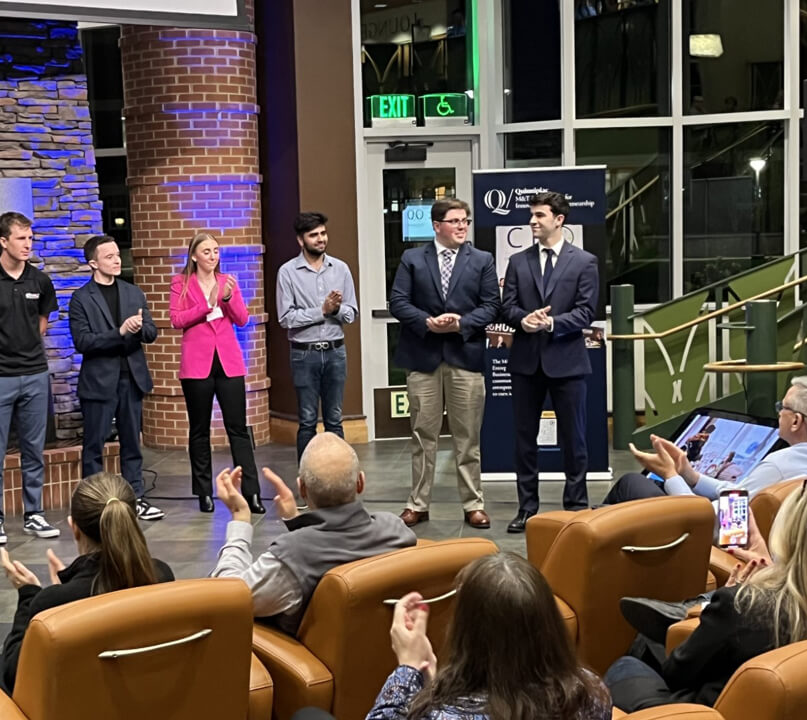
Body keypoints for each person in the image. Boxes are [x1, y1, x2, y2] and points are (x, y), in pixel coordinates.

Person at [604, 479, 807, 711]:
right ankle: (684, 615)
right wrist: (776, 573)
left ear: (789, 534)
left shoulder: (745, 606)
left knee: (629, 663)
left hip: (718, 710)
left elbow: (677, 674)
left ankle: (691, 612)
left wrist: (731, 596)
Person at [0, 472, 173, 693]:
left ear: (74, 527)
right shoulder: (161, 575)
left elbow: (14, 675)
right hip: (146, 695)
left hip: (82, 703)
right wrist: (69, 583)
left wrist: (28, 595)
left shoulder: (55, 600)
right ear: (131, 520)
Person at [361, 553, 611, 720]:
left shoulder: (443, 715)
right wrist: (433, 686)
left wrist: (407, 668)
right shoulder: (591, 693)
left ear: (466, 632)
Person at [209, 433, 416, 635]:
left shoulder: (290, 560)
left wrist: (240, 519)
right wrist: (295, 519)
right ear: (360, 482)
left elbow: (228, 598)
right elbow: (333, 546)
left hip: (313, 664)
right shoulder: (396, 530)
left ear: (302, 489)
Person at [388, 197, 500, 530]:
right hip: (423, 357)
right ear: (437, 226)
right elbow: (398, 302)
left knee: (468, 437)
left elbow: (492, 305)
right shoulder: (412, 259)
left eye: (465, 220)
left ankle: (473, 504)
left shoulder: (482, 259)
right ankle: (417, 505)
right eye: (455, 221)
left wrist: (461, 323)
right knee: (424, 435)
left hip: (465, 357)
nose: (462, 226)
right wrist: (427, 321)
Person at [499, 191, 600, 533]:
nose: (532, 221)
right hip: (526, 363)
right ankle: (527, 508)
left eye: (539, 216)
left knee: (575, 439)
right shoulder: (517, 261)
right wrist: (523, 321)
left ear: (559, 220)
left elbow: (587, 311)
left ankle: (575, 508)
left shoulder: (584, 262)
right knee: (524, 440)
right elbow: (507, 307)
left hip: (567, 363)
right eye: (532, 215)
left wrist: (553, 323)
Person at [0, 212, 61, 546]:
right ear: (3, 241)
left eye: (30, 238)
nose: (27, 244)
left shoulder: (39, 281)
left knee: (34, 448)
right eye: (21, 238)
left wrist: (29, 348)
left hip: (34, 374)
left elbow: (43, 320)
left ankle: (34, 513)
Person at [603, 376, 807, 505]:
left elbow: (713, 522)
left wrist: (670, 476)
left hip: (708, 543)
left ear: (796, 421)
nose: (778, 413)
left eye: (782, 407)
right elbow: (740, 496)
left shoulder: (778, 467)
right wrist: (689, 475)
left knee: (631, 483)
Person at [68, 235, 164, 521]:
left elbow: (151, 332)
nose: (117, 259)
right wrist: (119, 332)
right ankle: (93, 505)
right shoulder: (81, 299)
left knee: (132, 444)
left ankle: (137, 499)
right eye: (109, 256)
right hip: (99, 382)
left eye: (117, 254)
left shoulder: (132, 292)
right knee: (94, 446)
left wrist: (138, 328)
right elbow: (83, 342)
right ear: (93, 263)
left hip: (131, 378)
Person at [170, 232, 263, 514]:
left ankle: (252, 492)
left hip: (228, 362)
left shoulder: (227, 282)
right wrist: (207, 304)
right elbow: (176, 320)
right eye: (207, 251)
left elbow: (243, 318)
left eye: (216, 251)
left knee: (238, 428)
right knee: (199, 430)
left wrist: (227, 298)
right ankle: (203, 492)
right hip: (197, 365)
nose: (213, 256)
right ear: (194, 256)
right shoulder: (181, 283)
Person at [275, 211, 358, 463]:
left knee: (335, 420)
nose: (321, 239)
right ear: (301, 240)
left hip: (335, 352)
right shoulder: (287, 273)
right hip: (304, 354)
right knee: (308, 420)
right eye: (314, 235)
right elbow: (285, 318)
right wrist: (322, 311)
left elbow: (352, 313)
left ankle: (339, 481)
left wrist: (336, 310)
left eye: (323, 233)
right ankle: (307, 482)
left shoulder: (341, 268)